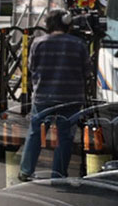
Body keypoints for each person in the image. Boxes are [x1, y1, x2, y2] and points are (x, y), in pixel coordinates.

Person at [18, 10, 91, 181]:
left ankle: (26, 170)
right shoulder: (79, 44)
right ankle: (58, 174)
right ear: (67, 23)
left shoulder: (38, 43)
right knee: (65, 136)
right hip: (71, 97)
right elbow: (87, 71)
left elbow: (31, 68)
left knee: (35, 132)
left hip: (44, 96)